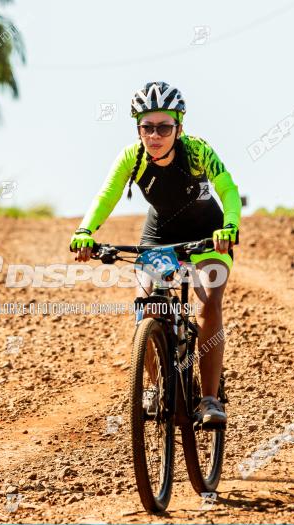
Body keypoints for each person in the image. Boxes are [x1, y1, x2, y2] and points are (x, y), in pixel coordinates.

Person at [69, 81, 241, 425]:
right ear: (139, 128)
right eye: (147, 127)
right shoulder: (132, 158)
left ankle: (209, 400)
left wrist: (230, 227)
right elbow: (107, 195)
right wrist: (86, 230)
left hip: (208, 234)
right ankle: (156, 385)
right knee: (146, 308)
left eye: (164, 126)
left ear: (179, 126)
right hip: (160, 235)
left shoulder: (197, 151)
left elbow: (229, 189)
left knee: (207, 301)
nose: (155, 135)